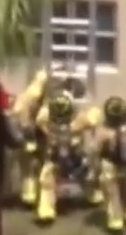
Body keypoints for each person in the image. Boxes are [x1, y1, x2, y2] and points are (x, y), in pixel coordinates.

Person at [32, 90, 102, 224]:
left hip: (75, 155)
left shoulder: (79, 119)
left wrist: (92, 117)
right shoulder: (45, 117)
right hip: (54, 155)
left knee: (86, 176)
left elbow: (94, 116)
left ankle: (93, 195)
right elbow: (39, 120)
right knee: (47, 181)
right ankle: (46, 210)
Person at [94, 96, 126, 233]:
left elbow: (96, 149)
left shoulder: (103, 131)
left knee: (112, 191)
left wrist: (95, 165)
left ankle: (116, 218)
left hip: (110, 163)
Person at [5, 69, 50, 206]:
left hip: (31, 134)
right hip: (31, 134)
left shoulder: (28, 96)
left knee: (29, 166)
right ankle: (32, 195)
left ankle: (30, 194)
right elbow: (23, 118)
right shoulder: (33, 96)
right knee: (31, 165)